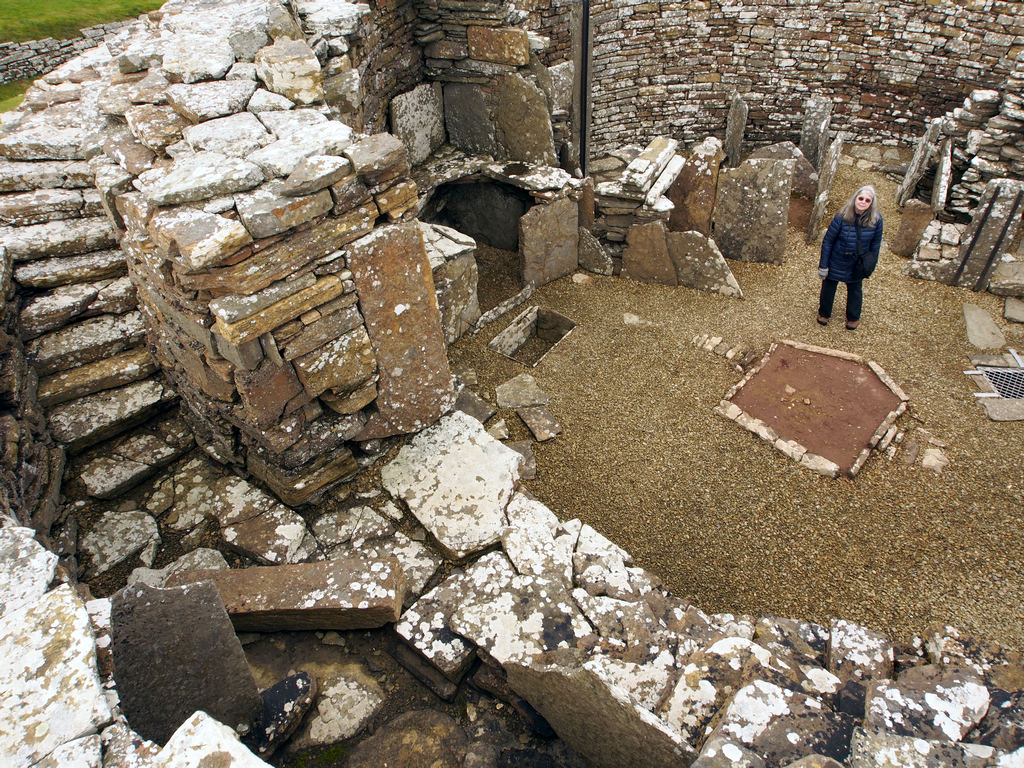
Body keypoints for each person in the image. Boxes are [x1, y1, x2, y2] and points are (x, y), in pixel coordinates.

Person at [817, 185, 883, 330]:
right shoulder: (841, 216)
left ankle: (853, 317)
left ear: (871, 203)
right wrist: (823, 265)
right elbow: (828, 241)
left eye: (867, 200)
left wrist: (870, 264)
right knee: (829, 287)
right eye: (861, 198)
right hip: (837, 259)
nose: (863, 202)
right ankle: (824, 313)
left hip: (856, 263)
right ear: (855, 199)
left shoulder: (876, 220)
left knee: (855, 290)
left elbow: (876, 244)